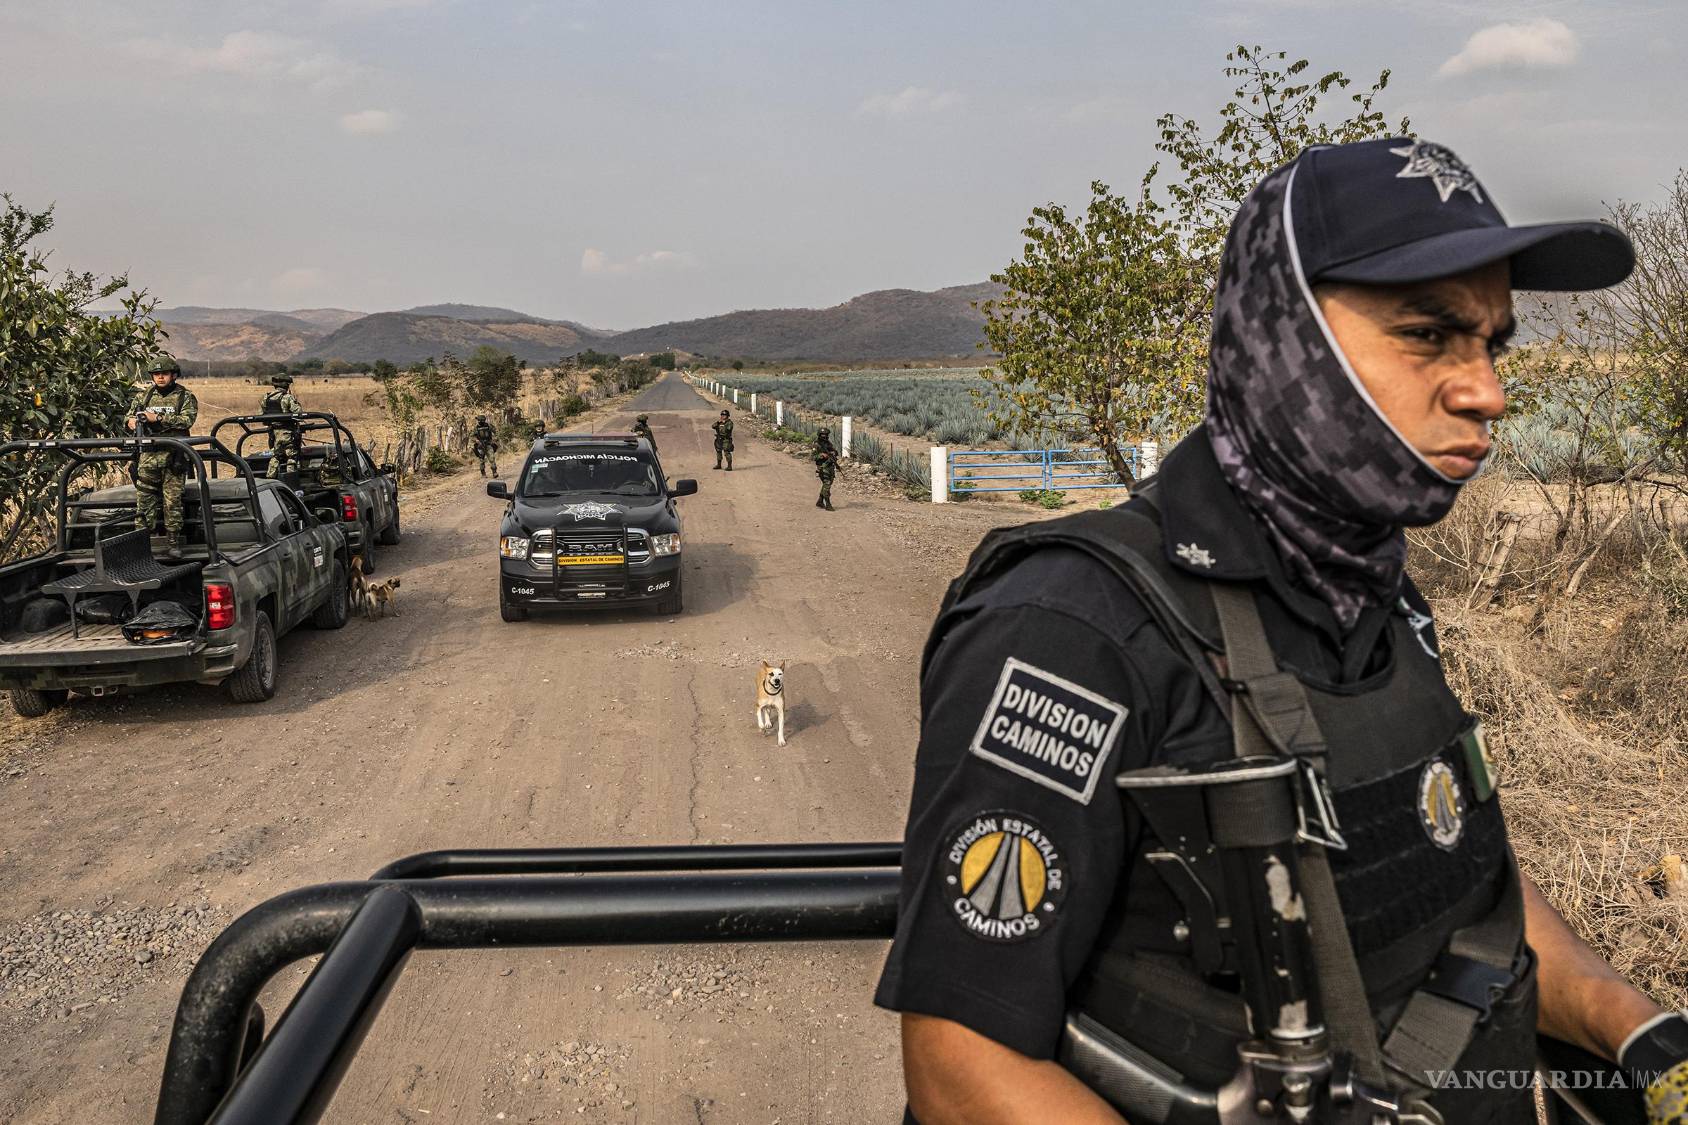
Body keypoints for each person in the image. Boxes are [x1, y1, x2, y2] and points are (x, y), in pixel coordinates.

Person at [875, 137, 1688, 1125]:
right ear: (1282, 338)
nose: (1485, 390)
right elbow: (961, 1071)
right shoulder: (1068, 632)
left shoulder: (1375, 597)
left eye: (1489, 343)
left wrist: (1633, 1027)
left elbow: (1457, 889)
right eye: (1428, 336)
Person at [125, 356, 199, 559]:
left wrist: (157, 418)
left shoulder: (185, 396)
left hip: (174, 456)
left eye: (164, 374)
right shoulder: (144, 396)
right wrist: (132, 421)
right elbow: (129, 417)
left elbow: (187, 420)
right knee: (144, 501)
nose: (160, 377)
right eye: (156, 374)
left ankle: (173, 542)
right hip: (148, 457)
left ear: (173, 375)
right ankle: (141, 544)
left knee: (172, 501)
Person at [260, 372, 303, 478]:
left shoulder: (266, 397)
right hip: (287, 431)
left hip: (273, 433)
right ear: (286, 385)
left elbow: (263, 414)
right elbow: (298, 412)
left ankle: (270, 479)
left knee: (276, 455)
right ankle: (291, 480)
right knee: (291, 456)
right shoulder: (287, 397)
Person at [813, 426, 838, 510]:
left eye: (826, 434)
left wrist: (833, 452)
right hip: (822, 467)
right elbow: (813, 456)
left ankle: (820, 501)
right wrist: (822, 455)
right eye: (823, 434)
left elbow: (835, 451)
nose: (824, 436)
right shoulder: (816, 444)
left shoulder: (828, 443)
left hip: (830, 466)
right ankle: (828, 504)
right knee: (827, 484)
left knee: (827, 484)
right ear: (819, 435)